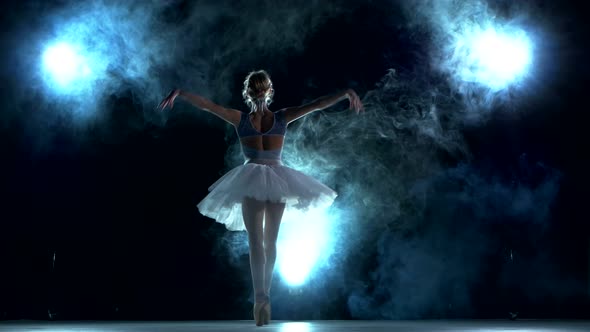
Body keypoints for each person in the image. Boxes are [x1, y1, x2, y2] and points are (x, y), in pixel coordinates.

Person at [158, 70, 363, 326]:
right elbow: (316, 104)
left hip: (254, 179)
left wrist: (181, 93)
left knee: (257, 242)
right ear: (268, 91)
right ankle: (265, 296)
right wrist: (345, 93)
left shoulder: (243, 119)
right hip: (277, 180)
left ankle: (260, 298)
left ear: (249, 93)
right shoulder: (281, 117)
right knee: (269, 242)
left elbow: (209, 106)